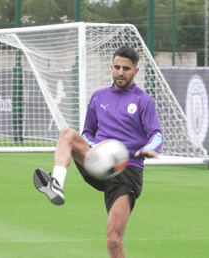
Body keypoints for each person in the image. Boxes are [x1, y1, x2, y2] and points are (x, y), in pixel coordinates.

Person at [33, 46, 163, 258]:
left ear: (136, 71)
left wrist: (150, 148)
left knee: (113, 241)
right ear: (111, 67)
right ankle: (56, 184)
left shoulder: (143, 100)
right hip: (98, 161)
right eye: (117, 67)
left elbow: (156, 134)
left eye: (127, 69)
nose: (121, 72)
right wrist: (96, 148)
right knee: (67, 134)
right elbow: (87, 132)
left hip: (127, 171)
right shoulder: (98, 97)